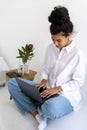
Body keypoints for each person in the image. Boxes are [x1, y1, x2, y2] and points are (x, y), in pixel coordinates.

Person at [7, 6, 86, 130]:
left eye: (58, 40)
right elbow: (46, 69)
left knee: (52, 108)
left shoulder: (77, 54)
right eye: (53, 39)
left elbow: (78, 82)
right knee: (12, 83)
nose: (55, 44)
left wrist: (58, 89)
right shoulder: (50, 48)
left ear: (68, 35)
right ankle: (37, 114)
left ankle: (36, 107)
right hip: (46, 91)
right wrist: (43, 80)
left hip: (65, 96)